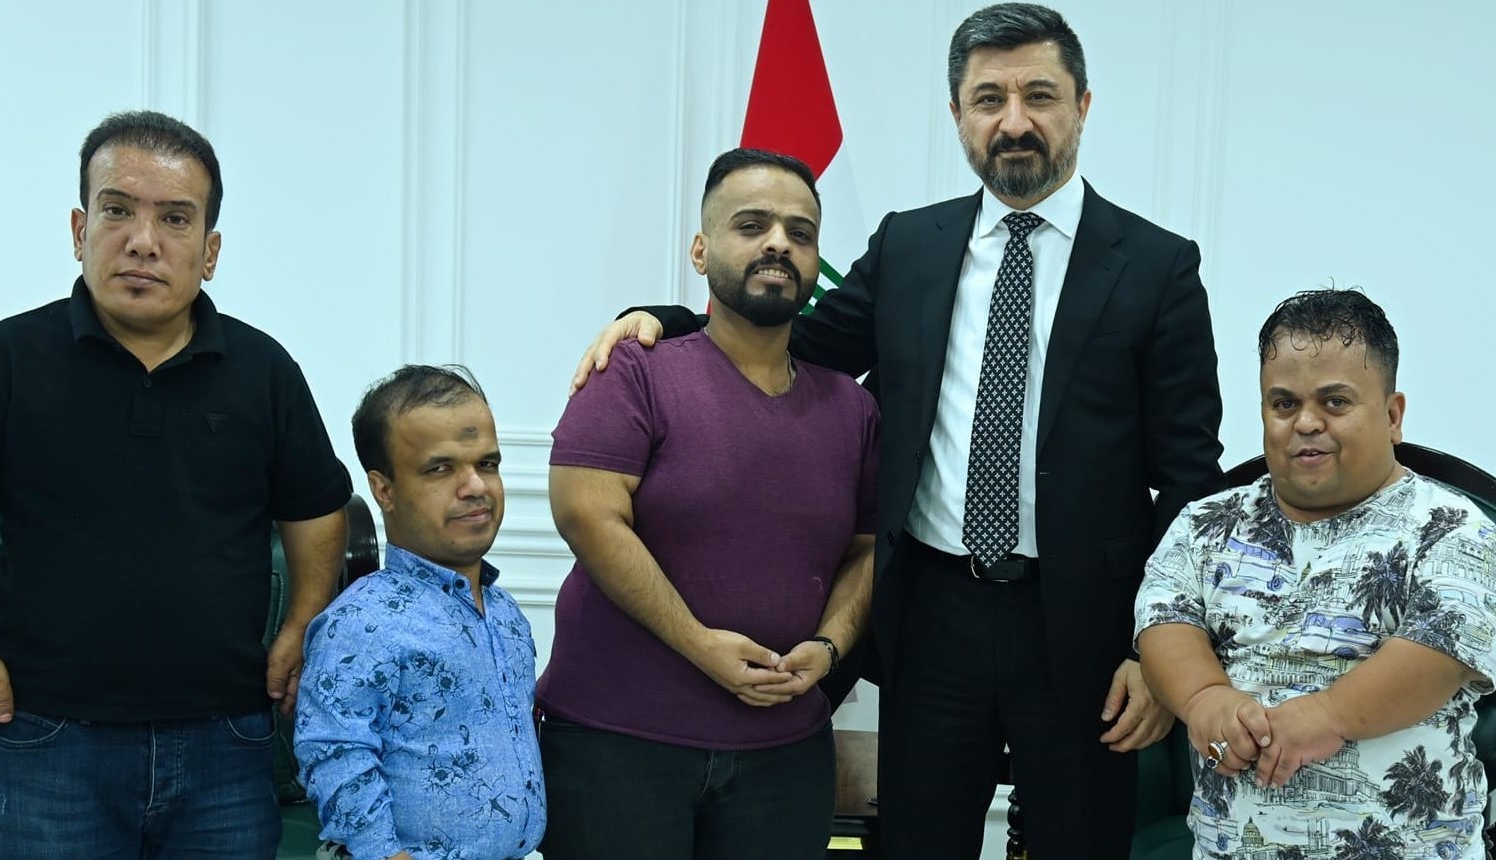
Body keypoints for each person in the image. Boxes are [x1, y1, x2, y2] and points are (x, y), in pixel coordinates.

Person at [570, 4, 1224, 856]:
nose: (1013, 121)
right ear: (957, 115)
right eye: (987, 99)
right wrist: (664, 320)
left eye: (1038, 95)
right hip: (930, 619)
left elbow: (1189, 480)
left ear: (1082, 106)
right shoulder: (910, 245)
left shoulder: (1157, 265)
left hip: (1086, 631)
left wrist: (1159, 648)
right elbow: (791, 342)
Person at [0, 110, 352, 857]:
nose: (144, 241)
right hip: (47, 737)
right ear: (80, 231)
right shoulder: (7, 359)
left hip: (226, 739)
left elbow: (317, 514)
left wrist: (302, 625)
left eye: (175, 219)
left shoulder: (264, 372)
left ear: (209, 251)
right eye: (117, 211)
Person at [536, 148, 879, 860]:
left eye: (800, 233)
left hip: (784, 755)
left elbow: (868, 549)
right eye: (751, 225)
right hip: (618, 744)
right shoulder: (633, 370)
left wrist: (828, 648)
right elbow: (585, 515)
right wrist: (701, 646)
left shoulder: (852, 407)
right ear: (700, 250)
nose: (778, 243)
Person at [1136, 289, 1496, 859]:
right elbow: (1165, 621)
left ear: (1392, 416)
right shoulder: (1205, 524)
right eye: (1283, 404)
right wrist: (1204, 698)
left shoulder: (1452, 531)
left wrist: (1329, 715)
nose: (1306, 423)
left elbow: (1438, 654)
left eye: (1335, 402)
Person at [295, 365, 545, 860]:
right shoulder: (361, 622)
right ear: (383, 490)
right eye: (440, 469)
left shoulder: (505, 613)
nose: (475, 486)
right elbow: (334, 753)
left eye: (487, 464)